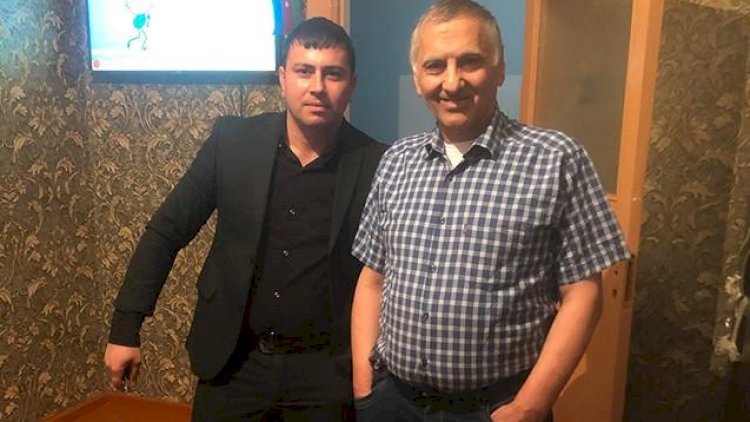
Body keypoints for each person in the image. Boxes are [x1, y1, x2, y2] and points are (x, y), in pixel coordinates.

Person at [350, 1, 630, 421]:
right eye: (434, 66)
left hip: (495, 409)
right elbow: (373, 279)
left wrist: (531, 405)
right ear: (418, 79)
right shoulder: (396, 161)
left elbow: (584, 294)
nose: (452, 82)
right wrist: (365, 385)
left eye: (470, 62)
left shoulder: (556, 159)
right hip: (393, 403)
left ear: (499, 69)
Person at [104, 17, 386, 421]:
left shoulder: (377, 163)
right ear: (283, 78)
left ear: (351, 84)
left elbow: (385, 274)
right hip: (234, 363)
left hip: (325, 372)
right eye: (304, 71)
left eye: (333, 74)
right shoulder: (232, 143)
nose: (317, 86)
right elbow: (166, 231)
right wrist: (125, 327)